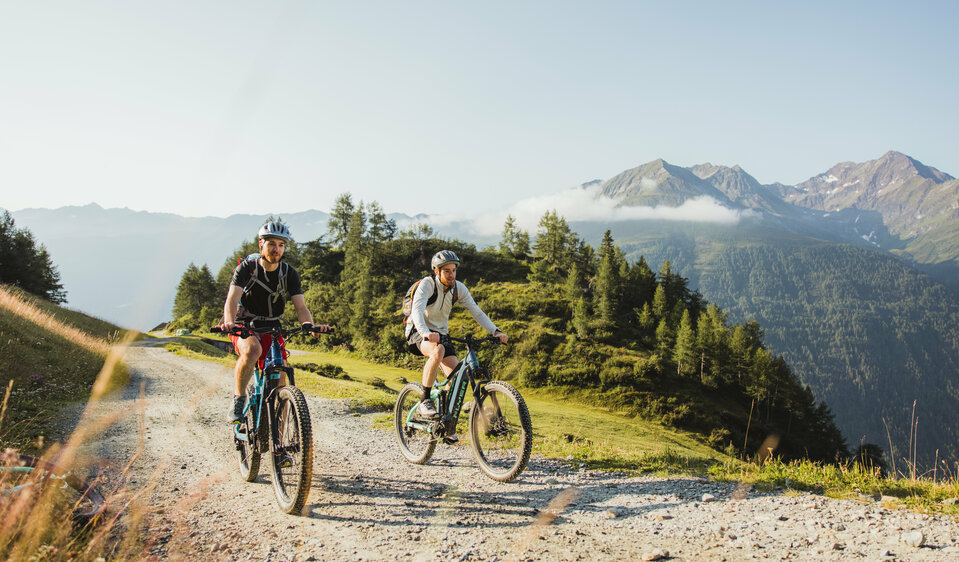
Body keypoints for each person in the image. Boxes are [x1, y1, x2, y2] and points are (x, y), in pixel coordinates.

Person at [221, 221, 331, 423]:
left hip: (272, 326)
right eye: (271, 243)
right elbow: (232, 300)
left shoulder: (289, 274)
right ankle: (239, 398)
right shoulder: (246, 268)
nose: (276, 249)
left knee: (281, 376)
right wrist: (229, 322)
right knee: (252, 350)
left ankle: (278, 442)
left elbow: (301, 307)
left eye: (281, 245)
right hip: (244, 324)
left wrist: (310, 325)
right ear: (260, 245)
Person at [405, 250, 507, 427]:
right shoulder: (427, 285)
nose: (451, 274)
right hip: (418, 331)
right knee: (438, 350)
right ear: (437, 271)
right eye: (447, 271)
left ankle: (445, 423)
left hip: (441, 333)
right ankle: (425, 400)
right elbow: (417, 311)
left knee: (457, 378)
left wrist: (495, 331)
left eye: (453, 270)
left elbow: (476, 311)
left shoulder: (458, 288)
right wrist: (425, 333)